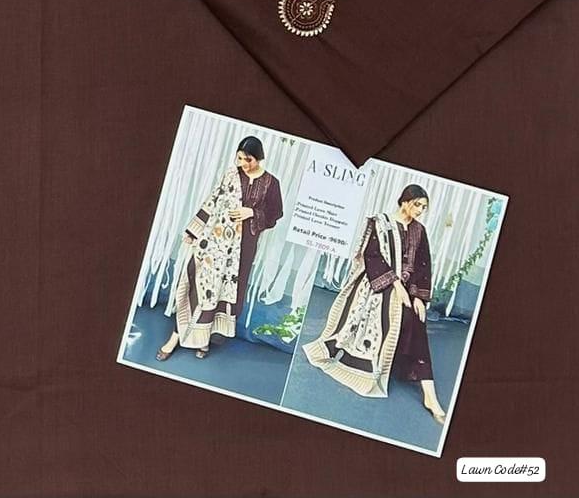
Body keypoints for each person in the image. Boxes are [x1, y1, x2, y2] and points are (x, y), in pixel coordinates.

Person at [303, 184, 447, 423]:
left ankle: (430, 395)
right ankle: (428, 394)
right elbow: (372, 256)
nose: (420, 211)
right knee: (406, 319)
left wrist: (419, 298)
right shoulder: (381, 223)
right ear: (405, 201)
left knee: (417, 319)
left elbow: (423, 265)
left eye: (424, 207)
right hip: (379, 284)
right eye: (417, 205)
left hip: (409, 289)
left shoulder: (420, 230)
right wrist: (396, 285)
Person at [156, 136, 282, 360]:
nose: (243, 163)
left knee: (224, 291)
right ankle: (175, 337)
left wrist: (251, 212)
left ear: (259, 158)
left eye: (248, 159)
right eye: (240, 158)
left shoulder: (271, 183)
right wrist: (193, 231)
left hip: (242, 249)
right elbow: (212, 201)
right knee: (199, 285)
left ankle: (204, 339)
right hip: (215, 241)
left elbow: (275, 214)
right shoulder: (231, 174)